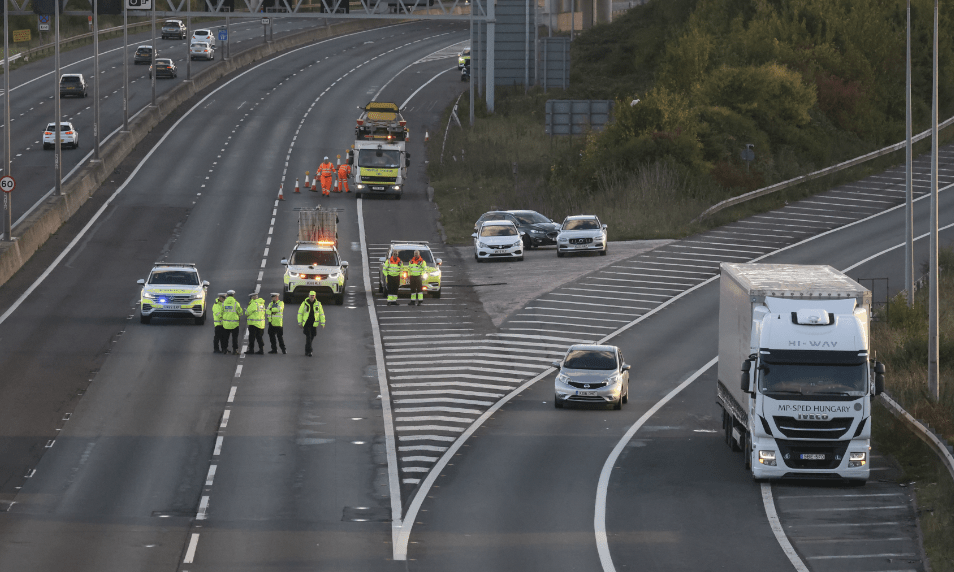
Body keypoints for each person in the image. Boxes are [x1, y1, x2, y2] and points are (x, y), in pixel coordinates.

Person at [298, 290, 325, 357]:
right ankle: (309, 351)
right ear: (308, 296)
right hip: (307, 323)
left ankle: (307, 348)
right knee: (308, 336)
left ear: (315, 296)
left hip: (314, 323)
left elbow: (321, 314)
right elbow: (300, 313)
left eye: (313, 296)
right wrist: (300, 322)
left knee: (313, 335)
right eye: (311, 295)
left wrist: (322, 323)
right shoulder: (304, 303)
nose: (312, 297)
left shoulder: (318, 304)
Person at [221, 290, 242, 354]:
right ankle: (235, 350)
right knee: (235, 338)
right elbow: (240, 312)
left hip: (226, 324)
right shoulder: (236, 303)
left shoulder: (223, 303)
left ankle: (224, 350)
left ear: (227, 295)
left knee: (225, 337)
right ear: (233, 295)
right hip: (234, 324)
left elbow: (221, 312)